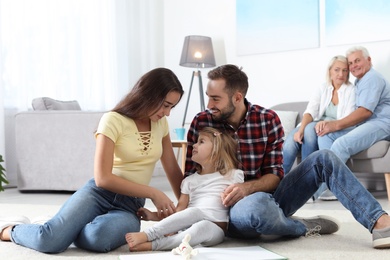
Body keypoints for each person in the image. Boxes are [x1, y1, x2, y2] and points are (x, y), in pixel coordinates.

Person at [185, 64, 390, 249]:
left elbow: (275, 176)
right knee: (255, 210)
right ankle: (299, 226)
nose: (209, 104)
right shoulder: (201, 122)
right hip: (227, 211)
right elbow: (189, 176)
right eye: (208, 96)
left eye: (215, 98)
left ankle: (379, 221)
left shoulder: (267, 119)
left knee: (324, 158)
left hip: (269, 196)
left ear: (237, 97)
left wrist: (247, 187)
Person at [0, 68, 185, 253]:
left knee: (98, 239)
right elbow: (102, 178)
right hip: (98, 194)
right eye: (165, 105)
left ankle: (63, 228)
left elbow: (172, 169)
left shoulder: (161, 124)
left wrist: (184, 211)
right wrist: (154, 193)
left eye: (171, 107)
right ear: (149, 95)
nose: (167, 113)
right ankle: (12, 230)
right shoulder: (113, 120)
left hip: (131, 207)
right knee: (49, 241)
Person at [125, 127, 244, 251]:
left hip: (216, 229)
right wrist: (154, 216)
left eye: (201, 142)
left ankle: (153, 244)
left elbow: (243, 196)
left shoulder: (233, 175)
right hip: (189, 222)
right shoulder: (189, 181)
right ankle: (148, 235)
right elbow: (180, 211)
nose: (194, 145)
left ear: (217, 150)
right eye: (196, 141)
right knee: (193, 212)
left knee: (201, 226)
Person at [283, 55, 355, 201]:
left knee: (310, 130)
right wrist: (300, 130)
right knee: (291, 143)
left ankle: (304, 187)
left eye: (344, 70)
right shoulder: (323, 88)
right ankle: (276, 184)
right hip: (312, 126)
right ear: (330, 71)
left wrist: (327, 123)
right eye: (337, 70)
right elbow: (310, 111)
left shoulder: (351, 90)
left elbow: (347, 118)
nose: (341, 74)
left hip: (333, 129)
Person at [316, 46, 390, 165]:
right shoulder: (359, 80)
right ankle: (332, 181)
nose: (354, 65)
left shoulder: (372, 78)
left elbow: (365, 112)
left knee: (341, 145)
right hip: (365, 124)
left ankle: (328, 183)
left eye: (357, 61)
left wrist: (335, 125)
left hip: (381, 124)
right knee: (325, 136)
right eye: (350, 63)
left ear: (369, 60)